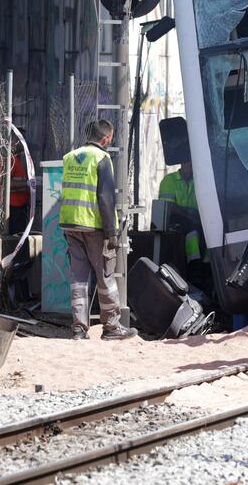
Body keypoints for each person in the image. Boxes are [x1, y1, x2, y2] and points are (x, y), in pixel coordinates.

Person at [59, 119, 138, 341]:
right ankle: (111, 327)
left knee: (78, 279)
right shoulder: (101, 158)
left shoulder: (70, 157)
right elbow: (105, 198)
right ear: (106, 139)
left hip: (71, 225)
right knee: (105, 276)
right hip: (94, 226)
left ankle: (78, 329)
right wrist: (112, 232)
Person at [157, 160, 211, 291]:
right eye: (190, 165)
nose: (192, 168)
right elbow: (169, 207)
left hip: (195, 217)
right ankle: (195, 270)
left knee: (210, 232)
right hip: (175, 219)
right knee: (192, 232)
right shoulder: (169, 180)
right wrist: (190, 216)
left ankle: (208, 269)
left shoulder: (198, 181)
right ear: (183, 164)